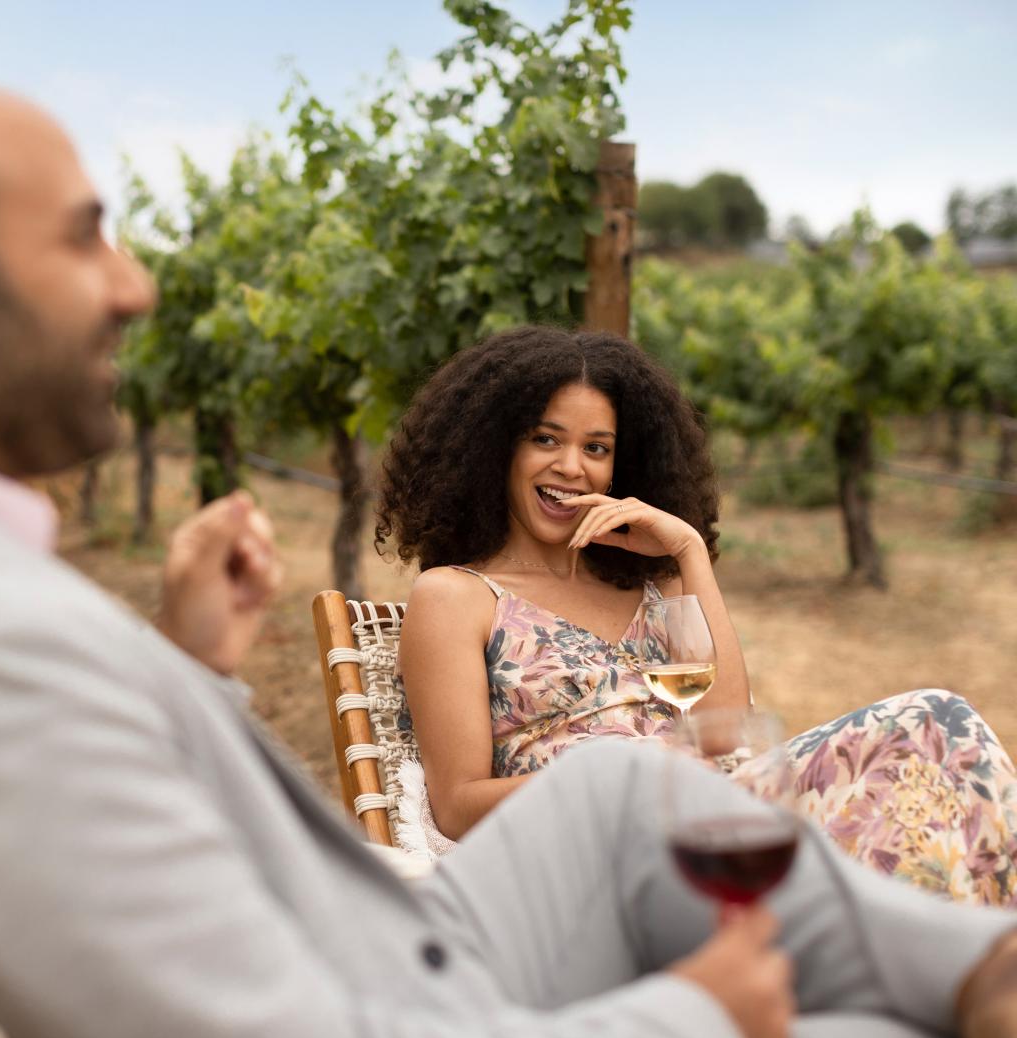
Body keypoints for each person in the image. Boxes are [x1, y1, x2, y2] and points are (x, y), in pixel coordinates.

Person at [0, 75, 1017, 1038]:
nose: (136, 286)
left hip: (387, 940)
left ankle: (987, 970)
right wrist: (690, 1028)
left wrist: (189, 674)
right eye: (87, 239)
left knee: (628, 791)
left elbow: (125, 858)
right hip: (415, 1001)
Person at [375, 326, 1017, 904]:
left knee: (938, 730)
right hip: (605, 850)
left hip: (714, 814)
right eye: (546, 439)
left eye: (597, 448)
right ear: (497, 449)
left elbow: (726, 729)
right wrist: (624, 779)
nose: (571, 467)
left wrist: (687, 552)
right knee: (927, 733)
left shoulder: (652, 588)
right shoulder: (456, 597)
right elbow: (457, 805)